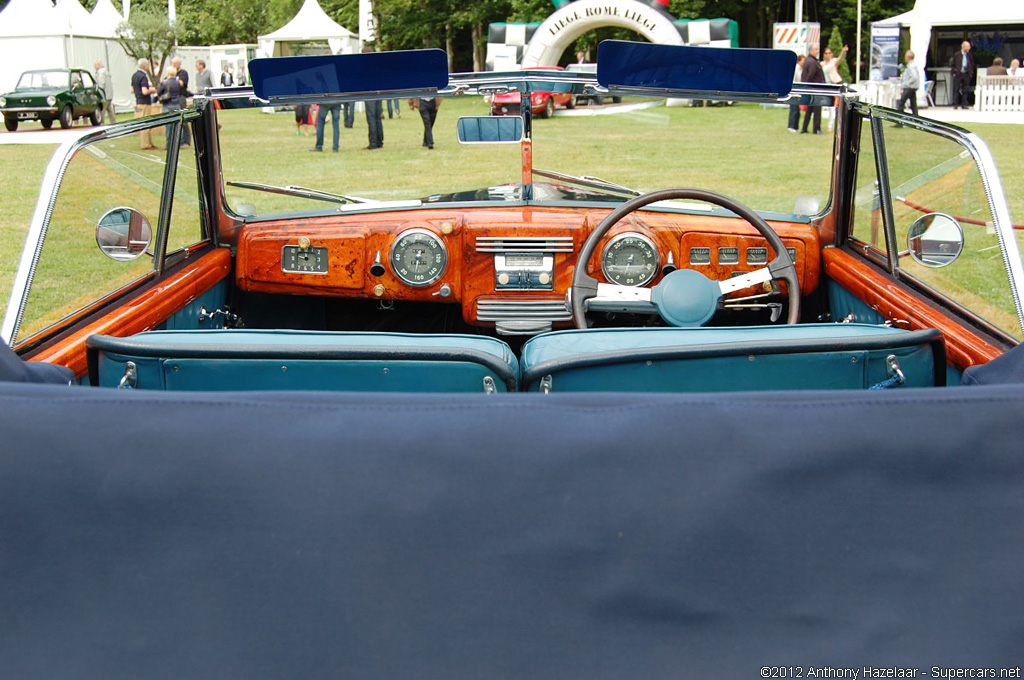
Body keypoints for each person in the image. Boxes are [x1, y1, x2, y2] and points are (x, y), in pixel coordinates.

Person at [131, 57, 156, 150]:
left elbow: (132, 90)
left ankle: (149, 142)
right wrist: (152, 91)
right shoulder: (143, 77)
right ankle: (146, 144)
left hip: (138, 101)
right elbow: (144, 91)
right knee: (146, 123)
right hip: (145, 102)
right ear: (145, 66)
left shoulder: (134, 76)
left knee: (142, 122)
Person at [156, 66, 184, 149]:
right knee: (177, 124)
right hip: (176, 104)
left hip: (167, 104)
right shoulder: (178, 83)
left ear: (168, 73)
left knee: (168, 125)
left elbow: (159, 92)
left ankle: (169, 144)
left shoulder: (164, 83)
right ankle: (179, 143)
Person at [800, 44, 825, 134]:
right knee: (817, 109)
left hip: (811, 89)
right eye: (815, 49)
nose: (817, 51)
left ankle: (804, 128)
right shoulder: (812, 62)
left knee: (810, 110)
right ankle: (816, 129)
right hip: (815, 89)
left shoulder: (810, 60)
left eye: (817, 49)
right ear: (810, 50)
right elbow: (810, 75)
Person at [950, 40, 976, 109]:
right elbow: (953, 64)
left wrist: (970, 72)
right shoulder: (957, 55)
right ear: (963, 47)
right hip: (958, 74)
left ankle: (964, 104)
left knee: (965, 90)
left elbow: (972, 64)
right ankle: (955, 104)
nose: (968, 48)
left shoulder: (969, 55)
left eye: (969, 47)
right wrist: (954, 72)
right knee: (956, 89)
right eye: (967, 47)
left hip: (966, 74)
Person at [171, 56, 191, 147]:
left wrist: (172, 80)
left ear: (179, 64)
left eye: (174, 63)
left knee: (183, 118)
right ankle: (177, 140)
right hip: (172, 98)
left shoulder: (183, 73)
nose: (173, 65)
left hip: (181, 97)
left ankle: (186, 141)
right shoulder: (172, 73)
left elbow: (181, 84)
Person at [895, 50, 921, 118]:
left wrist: (906, 83)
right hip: (913, 88)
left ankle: (899, 121)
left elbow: (914, 77)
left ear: (908, 57)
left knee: (901, 103)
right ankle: (916, 120)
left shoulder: (911, 66)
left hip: (909, 88)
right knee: (913, 105)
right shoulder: (913, 65)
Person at [94, 60, 117, 125]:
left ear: (98, 65)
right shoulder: (106, 71)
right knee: (110, 109)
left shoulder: (101, 72)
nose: (94, 68)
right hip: (109, 94)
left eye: (95, 66)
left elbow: (101, 84)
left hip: (104, 95)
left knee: (102, 110)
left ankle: (101, 123)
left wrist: (99, 93)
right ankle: (113, 123)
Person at [787, 54, 805, 133]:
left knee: (797, 109)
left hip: (799, 90)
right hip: (794, 90)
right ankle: (791, 126)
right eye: (803, 60)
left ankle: (796, 126)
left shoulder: (802, 69)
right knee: (793, 109)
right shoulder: (796, 68)